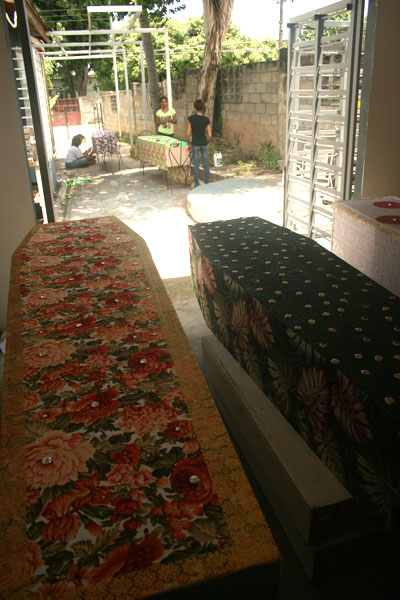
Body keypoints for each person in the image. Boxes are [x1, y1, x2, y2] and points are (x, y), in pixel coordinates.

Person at [187, 99, 212, 188]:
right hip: (204, 143)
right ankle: (207, 182)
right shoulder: (206, 119)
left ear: (195, 108)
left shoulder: (191, 118)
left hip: (195, 143)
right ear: (202, 108)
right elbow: (210, 134)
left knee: (196, 164)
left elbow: (188, 133)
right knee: (205, 164)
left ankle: (196, 183)